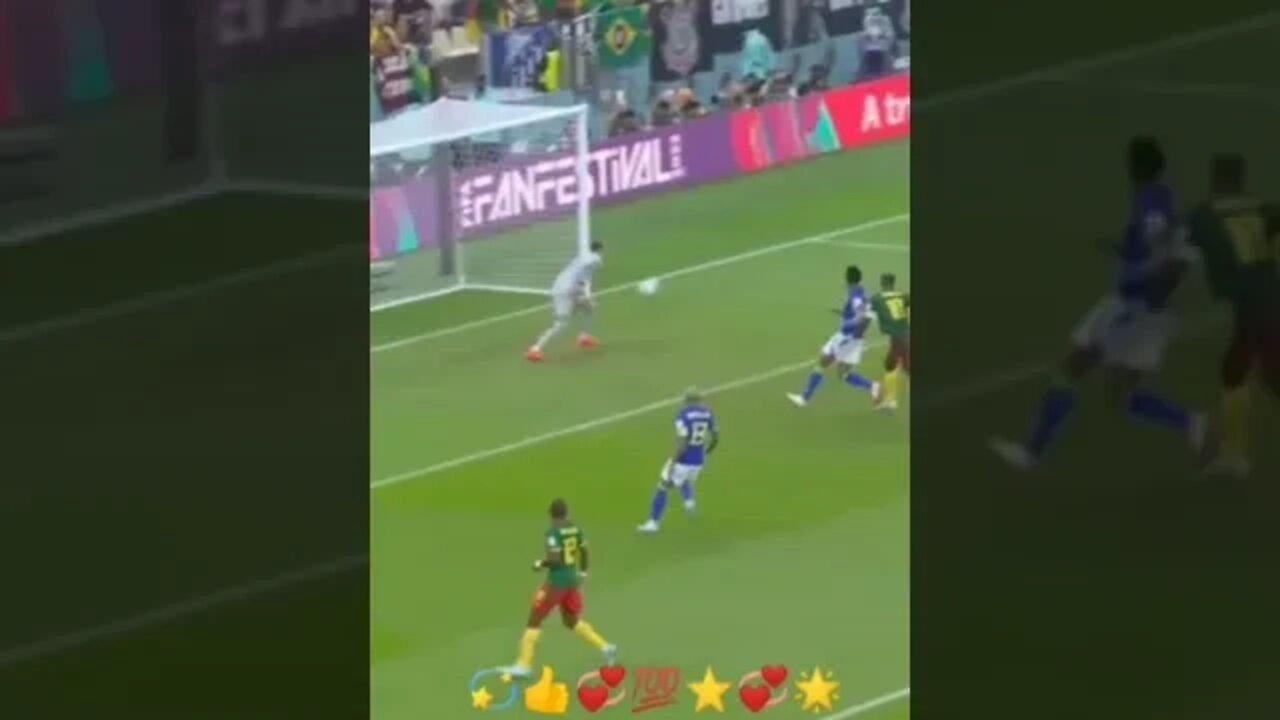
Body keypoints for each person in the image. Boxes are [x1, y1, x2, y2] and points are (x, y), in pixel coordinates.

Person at [990, 136, 1207, 470]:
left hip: (1133, 307)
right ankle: (1192, 424)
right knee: (1122, 395)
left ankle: (1030, 452)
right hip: (1148, 310)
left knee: (1071, 369)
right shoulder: (1163, 196)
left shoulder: (1150, 202)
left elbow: (1165, 254)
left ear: (1131, 168)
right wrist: (1123, 250)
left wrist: (1145, 284)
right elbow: (1165, 249)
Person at [1185, 153, 1280, 477]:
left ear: (1216, 179)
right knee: (1243, 370)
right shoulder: (1263, 207)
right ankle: (1234, 455)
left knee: (1252, 372)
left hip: (1258, 305)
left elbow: (1179, 247)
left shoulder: (1205, 215)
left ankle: (1235, 457)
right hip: (1266, 299)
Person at [501, 499, 617, 678]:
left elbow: (555, 561)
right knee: (571, 621)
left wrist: (540, 563)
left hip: (557, 582)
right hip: (572, 580)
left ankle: (524, 664)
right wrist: (583, 573)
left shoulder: (553, 533)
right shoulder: (576, 530)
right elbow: (584, 551)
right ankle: (606, 647)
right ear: (567, 513)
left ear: (551, 515)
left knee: (534, 619)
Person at [787, 265, 878, 407]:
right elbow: (865, 312)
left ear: (847, 278)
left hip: (847, 337)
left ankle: (804, 398)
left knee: (822, 363)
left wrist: (849, 324)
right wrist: (842, 313)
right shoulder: (861, 291)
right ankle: (873, 387)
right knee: (844, 374)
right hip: (854, 338)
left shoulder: (855, 293)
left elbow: (862, 314)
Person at [638, 388, 719, 534]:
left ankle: (653, 523)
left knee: (662, 486)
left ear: (687, 401)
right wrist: (707, 452)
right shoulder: (708, 413)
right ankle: (689, 502)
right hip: (698, 461)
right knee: (684, 479)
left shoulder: (683, 415)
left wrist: (673, 462)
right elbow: (715, 437)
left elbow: (682, 442)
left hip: (683, 460)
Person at [526, 242, 604, 362]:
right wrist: (587, 296)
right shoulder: (595, 261)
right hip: (565, 291)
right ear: (600, 250)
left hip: (563, 286)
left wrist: (585, 298)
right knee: (561, 324)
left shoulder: (581, 257)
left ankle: (584, 337)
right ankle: (534, 349)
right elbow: (585, 281)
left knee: (588, 308)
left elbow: (580, 278)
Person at [869, 272, 910, 411]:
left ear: (882, 283)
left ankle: (890, 401)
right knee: (890, 365)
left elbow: (866, 313)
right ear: (893, 283)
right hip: (901, 336)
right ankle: (890, 401)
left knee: (901, 367)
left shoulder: (877, 298)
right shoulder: (903, 296)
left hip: (901, 337)